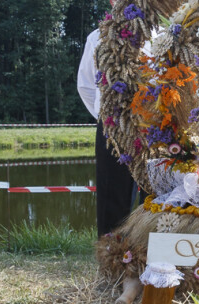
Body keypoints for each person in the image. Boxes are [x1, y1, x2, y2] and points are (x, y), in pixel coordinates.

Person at [77, 0, 147, 237]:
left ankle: (155, 260)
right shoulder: (96, 37)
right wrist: (106, 116)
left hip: (155, 128)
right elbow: (86, 86)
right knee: (111, 199)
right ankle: (112, 261)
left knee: (156, 198)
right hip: (112, 127)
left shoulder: (159, 35)